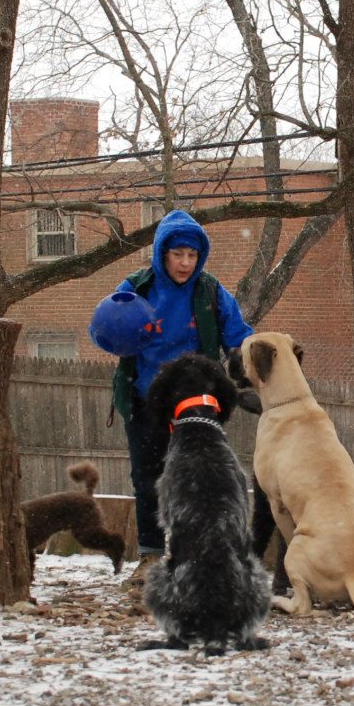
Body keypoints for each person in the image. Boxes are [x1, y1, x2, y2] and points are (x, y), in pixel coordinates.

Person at [109, 210, 254, 577]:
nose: (185, 263)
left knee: (202, 479)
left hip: (197, 403)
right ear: (162, 253)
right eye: (178, 254)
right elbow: (111, 329)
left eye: (192, 255)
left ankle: (201, 555)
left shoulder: (210, 291)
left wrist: (256, 371)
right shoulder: (136, 288)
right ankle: (151, 557)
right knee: (147, 477)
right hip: (145, 401)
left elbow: (240, 338)